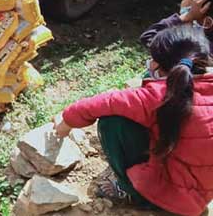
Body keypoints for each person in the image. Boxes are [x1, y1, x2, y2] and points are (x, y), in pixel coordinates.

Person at [55, 25, 213, 215]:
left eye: (153, 60)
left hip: (170, 196)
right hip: (204, 191)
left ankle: (131, 192)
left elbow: (97, 105)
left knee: (112, 122)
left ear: (158, 66)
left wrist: (65, 123)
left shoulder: (157, 95)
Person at [140, 0, 213, 49]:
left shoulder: (194, 46)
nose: (182, 2)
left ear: (200, 7)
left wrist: (186, 17)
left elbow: (149, 38)